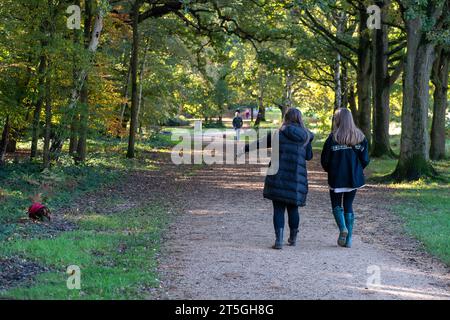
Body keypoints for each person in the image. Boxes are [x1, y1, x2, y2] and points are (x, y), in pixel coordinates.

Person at [244, 108, 314, 249]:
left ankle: (279, 240)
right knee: (293, 208)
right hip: (296, 177)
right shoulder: (306, 136)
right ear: (300, 119)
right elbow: (309, 156)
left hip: (278, 175)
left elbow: (260, 143)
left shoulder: (278, 133)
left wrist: (244, 148)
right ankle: (293, 238)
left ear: (286, 118)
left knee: (278, 209)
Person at [320, 108, 370, 248]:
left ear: (338, 120)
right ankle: (348, 241)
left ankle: (343, 228)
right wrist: (357, 170)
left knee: (336, 205)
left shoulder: (332, 137)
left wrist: (330, 170)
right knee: (348, 205)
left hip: (336, 177)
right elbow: (365, 159)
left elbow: (325, 160)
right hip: (353, 178)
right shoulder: (360, 137)